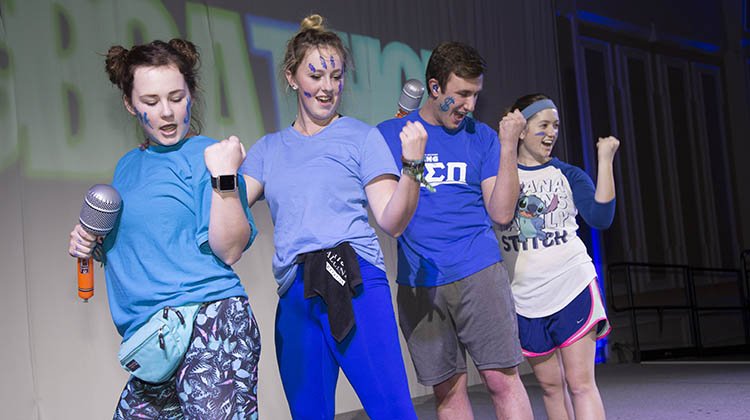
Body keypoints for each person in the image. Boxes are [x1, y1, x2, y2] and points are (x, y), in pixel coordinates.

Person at [238, 14, 426, 419]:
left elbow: (392, 220)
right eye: (316, 75)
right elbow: (227, 218)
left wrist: (412, 168)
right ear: (292, 77)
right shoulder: (268, 150)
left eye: (336, 76)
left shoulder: (362, 137)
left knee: (393, 410)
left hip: (355, 282)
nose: (327, 87)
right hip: (296, 291)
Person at [67, 39, 260, 419]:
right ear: (129, 104)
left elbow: (231, 248)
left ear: (191, 94)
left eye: (176, 97)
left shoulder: (208, 155)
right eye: (151, 102)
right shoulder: (127, 167)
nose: (167, 112)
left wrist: (223, 175)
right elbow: (147, 246)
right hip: (155, 340)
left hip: (210, 322)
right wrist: (90, 242)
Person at [377, 41, 533, 420]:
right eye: (461, 94)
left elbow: (501, 212)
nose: (469, 105)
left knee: (502, 381)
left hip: (478, 271)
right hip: (419, 282)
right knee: (447, 391)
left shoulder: (480, 137)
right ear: (434, 88)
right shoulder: (389, 135)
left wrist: (508, 145)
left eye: (475, 94)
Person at [498, 93, 619, 420]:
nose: (551, 133)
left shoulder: (569, 174)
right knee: (551, 388)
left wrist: (605, 160)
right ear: (521, 130)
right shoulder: (498, 177)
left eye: (556, 126)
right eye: (543, 125)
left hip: (571, 285)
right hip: (525, 297)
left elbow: (600, 217)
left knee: (580, 383)